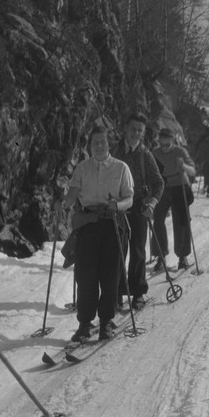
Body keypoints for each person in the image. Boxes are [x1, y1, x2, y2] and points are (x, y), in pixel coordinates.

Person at [61, 125, 134, 342]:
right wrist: (62, 204)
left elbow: (129, 198)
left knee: (110, 276)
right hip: (88, 225)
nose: (99, 146)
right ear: (90, 145)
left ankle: (106, 322)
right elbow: (72, 195)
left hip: (112, 224)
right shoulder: (82, 168)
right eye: (95, 142)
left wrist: (118, 205)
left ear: (109, 144)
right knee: (85, 276)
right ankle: (84, 323)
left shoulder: (121, 168)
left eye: (103, 142)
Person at [110, 113, 164, 311]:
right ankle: (116, 292)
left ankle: (138, 291)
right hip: (117, 207)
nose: (136, 133)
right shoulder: (113, 151)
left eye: (140, 130)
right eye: (133, 129)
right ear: (125, 128)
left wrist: (152, 204)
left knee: (138, 250)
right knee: (117, 250)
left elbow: (158, 182)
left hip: (139, 206)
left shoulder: (145, 155)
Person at [152, 127, 197, 271]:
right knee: (157, 220)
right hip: (162, 187)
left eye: (168, 144)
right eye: (162, 144)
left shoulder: (180, 152)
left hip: (179, 185)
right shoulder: (155, 153)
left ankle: (182, 256)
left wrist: (183, 166)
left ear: (173, 141)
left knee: (182, 221)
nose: (164, 148)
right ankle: (160, 255)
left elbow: (193, 171)